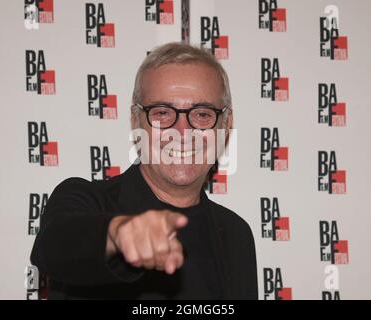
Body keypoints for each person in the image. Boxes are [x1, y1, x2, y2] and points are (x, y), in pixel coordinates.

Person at [30, 42, 258, 299]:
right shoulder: (86, 200)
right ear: (136, 121)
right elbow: (54, 247)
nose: (182, 133)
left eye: (202, 114)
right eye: (162, 113)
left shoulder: (236, 234)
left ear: (226, 125)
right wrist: (117, 234)